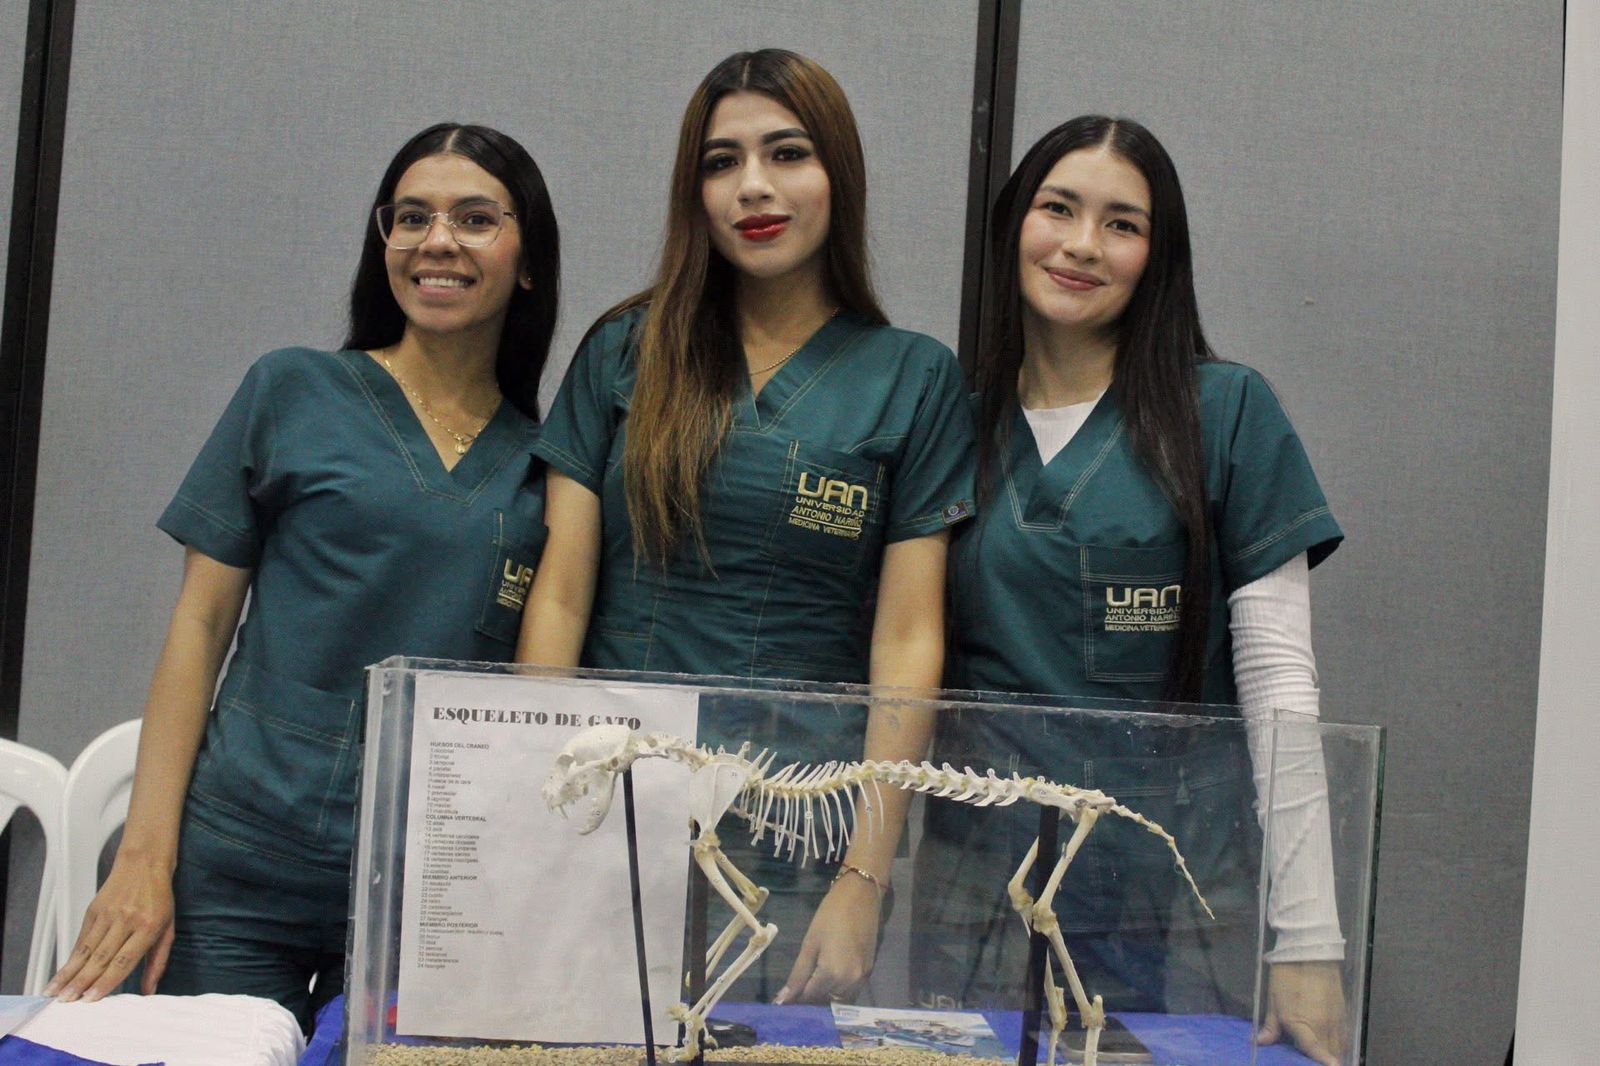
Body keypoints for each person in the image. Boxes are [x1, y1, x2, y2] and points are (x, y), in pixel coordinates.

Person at [45, 123, 560, 1030]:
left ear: (528, 262)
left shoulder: (548, 467)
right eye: (412, 217)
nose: (437, 241)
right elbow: (199, 626)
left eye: (476, 218)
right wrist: (143, 860)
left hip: (426, 890)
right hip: (238, 866)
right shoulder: (292, 390)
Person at [518, 49, 974, 1005]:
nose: (752, 187)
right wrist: (532, 809)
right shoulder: (625, 349)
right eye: (721, 162)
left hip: (800, 836)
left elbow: (908, 639)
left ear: (838, 175)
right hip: (613, 812)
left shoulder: (914, 376)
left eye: (787, 153)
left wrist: (864, 875)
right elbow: (558, 597)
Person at [912, 116, 1348, 1066]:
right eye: (1057, 209)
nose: (1081, 245)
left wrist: (1308, 940)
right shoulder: (953, 425)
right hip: (974, 899)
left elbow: (1280, 684)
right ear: (1012, 227)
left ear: (1159, 255)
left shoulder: (1225, 414)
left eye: (1122, 224)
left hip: (1168, 905)